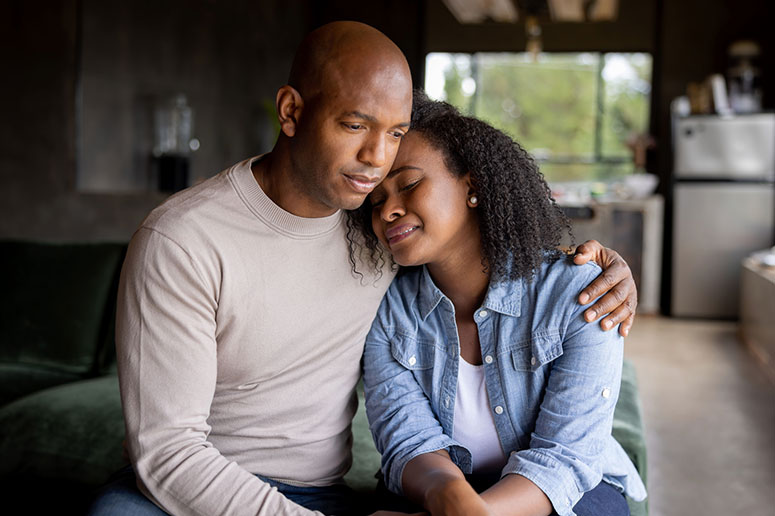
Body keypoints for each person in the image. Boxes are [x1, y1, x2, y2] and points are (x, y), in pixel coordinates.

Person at [89, 22, 639, 516]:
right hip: (190, 491)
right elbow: (168, 452)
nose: (378, 161)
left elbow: (490, 262)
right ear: (291, 112)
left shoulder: (379, 234)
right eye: (356, 125)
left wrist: (611, 272)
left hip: (315, 491)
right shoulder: (185, 240)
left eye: (396, 134)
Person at [351, 91, 648, 516]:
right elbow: (408, 443)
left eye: (410, 184)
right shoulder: (389, 310)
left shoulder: (579, 293)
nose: (388, 212)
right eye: (376, 201)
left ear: (472, 186)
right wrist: (449, 498)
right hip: (436, 488)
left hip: (564, 493)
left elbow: (564, 461)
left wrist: (473, 515)